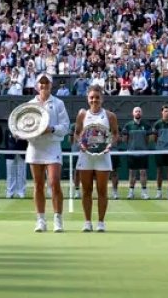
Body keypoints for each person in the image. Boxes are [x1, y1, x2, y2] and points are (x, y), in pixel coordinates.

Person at [25, 73, 70, 232]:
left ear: (51, 85)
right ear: (37, 86)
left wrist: (51, 129)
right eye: (41, 83)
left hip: (52, 147)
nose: (44, 86)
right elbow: (25, 126)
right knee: (38, 185)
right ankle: (41, 220)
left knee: (54, 182)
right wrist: (21, 132)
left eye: (47, 83)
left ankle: (58, 220)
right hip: (35, 148)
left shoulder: (58, 104)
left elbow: (65, 127)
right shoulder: (30, 104)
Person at [74, 85, 119, 232]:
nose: (94, 100)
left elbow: (115, 134)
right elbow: (77, 133)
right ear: (88, 99)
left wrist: (109, 145)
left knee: (102, 191)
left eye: (97, 97)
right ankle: (87, 222)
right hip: (85, 156)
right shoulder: (82, 115)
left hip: (103, 157)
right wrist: (80, 143)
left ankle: (101, 222)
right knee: (86, 190)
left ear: (102, 99)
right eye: (92, 97)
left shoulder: (110, 116)